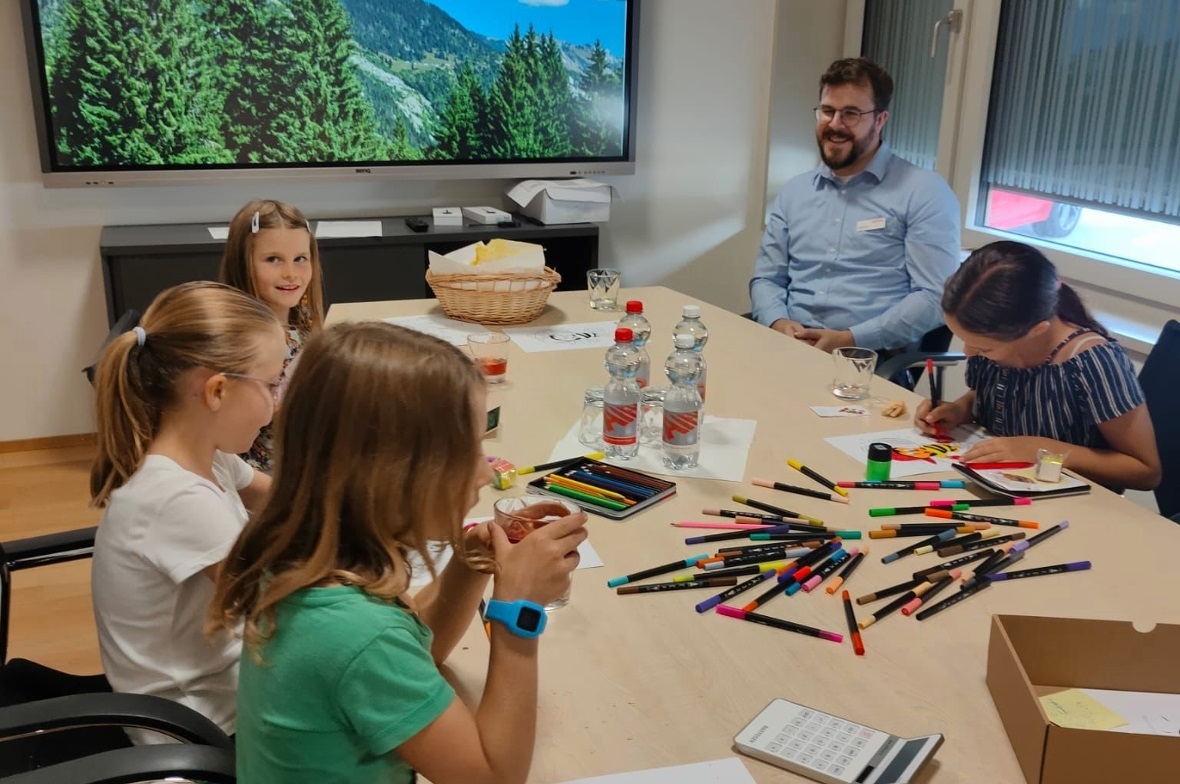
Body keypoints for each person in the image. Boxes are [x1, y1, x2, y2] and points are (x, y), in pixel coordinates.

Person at [209, 322, 588, 784]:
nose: (485, 476)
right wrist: (519, 612)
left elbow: (420, 650)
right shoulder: (358, 633)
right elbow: (494, 778)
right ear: (392, 473)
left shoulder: (306, 558)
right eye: (468, 452)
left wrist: (467, 568)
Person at [90, 281, 286, 741]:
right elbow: (281, 613)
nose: (275, 405)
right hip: (199, 734)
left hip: (223, 692)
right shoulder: (177, 500)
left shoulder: (205, 455)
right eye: (272, 384)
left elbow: (281, 499)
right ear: (217, 391)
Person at [750, 57, 961, 353]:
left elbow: (935, 296)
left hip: (868, 358)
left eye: (850, 113)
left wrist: (852, 338)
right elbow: (767, 278)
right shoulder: (796, 192)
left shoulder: (924, 192)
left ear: (880, 119)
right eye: (827, 111)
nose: (835, 124)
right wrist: (777, 322)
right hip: (789, 348)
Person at [916, 240, 1161, 491]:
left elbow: (1145, 471)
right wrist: (958, 410)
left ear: (1036, 331)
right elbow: (989, 397)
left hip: (1074, 505)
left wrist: (1043, 451)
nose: (968, 353)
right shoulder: (1000, 343)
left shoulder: (1094, 361)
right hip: (1000, 485)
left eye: (982, 349)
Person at [219, 199, 324, 473]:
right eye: (273, 259)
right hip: (271, 480)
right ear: (243, 264)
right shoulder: (245, 342)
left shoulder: (299, 322)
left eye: (300, 259)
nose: (291, 273)